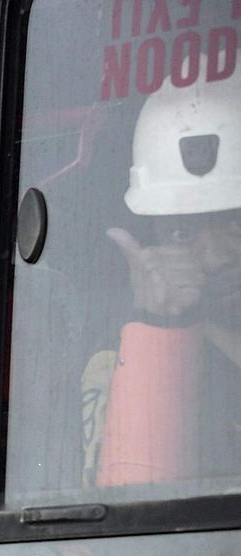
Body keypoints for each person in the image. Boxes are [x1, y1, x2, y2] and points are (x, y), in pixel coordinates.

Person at [82, 51, 240, 488]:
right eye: (182, 234)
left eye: (235, 222)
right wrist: (161, 330)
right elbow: (134, 541)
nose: (215, 257)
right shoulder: (121, 362)